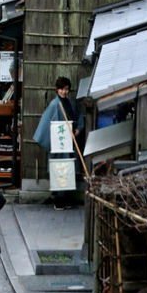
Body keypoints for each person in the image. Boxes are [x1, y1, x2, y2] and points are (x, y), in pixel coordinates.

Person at [33, 76, 85, 210]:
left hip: (69, 143)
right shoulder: (54, 105)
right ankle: (57, 199)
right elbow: (46, 124)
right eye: (62, 89)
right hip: (59, 144)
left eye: (66, 89)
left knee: (68, 169)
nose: (64, 92)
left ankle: (66, 198)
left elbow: (78, 116)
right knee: (59, 168)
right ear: (57, 90)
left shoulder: (71, 103)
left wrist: (78, 129)